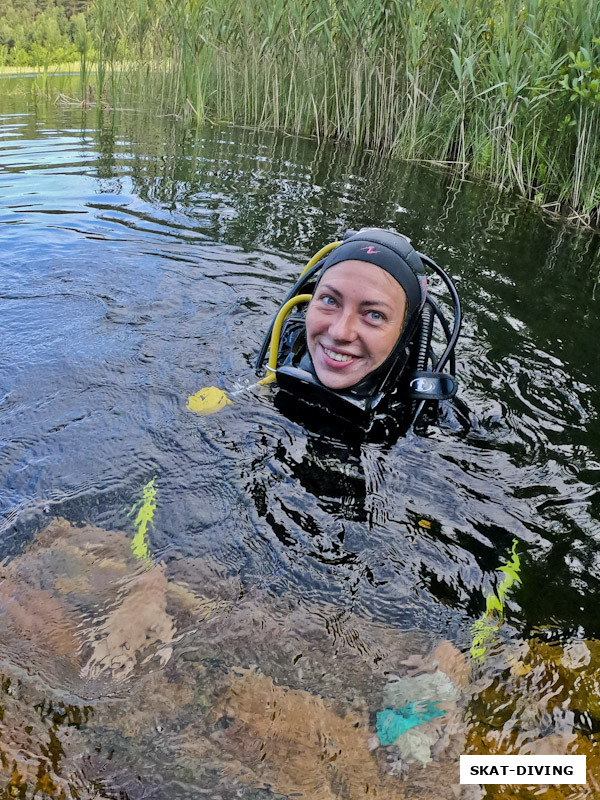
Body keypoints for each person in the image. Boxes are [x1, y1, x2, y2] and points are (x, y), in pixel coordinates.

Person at [256, 228, 461, 439]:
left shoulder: (433, 415)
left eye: (374, 314)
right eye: (329, 300)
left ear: (405, 332)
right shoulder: (284, 346)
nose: (339, 332)